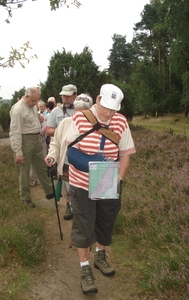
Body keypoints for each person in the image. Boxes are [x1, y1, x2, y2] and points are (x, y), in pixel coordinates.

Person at [65, 84, 136, 295]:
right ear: (97, 100)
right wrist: (90, 163)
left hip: (107, 180)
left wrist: (119, 179)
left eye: (114, 109)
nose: (109, 113)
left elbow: (125, 153)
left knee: (105, 220)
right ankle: (85, 269)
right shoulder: (79, 118)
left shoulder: (121, 121)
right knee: (84, 225)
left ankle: (100, 256)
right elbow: (71, 153)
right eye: (106, 108)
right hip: (81, 183)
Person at [44, 93, 93, 214]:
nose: (79, 114)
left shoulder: (97, 126)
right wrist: (51, 156)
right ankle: (70, 207)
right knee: (72, 193)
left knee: (87, 200)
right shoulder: (66, 123)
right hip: (68, 168)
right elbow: (55, 143)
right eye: (77, 110)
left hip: (90, 170)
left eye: (84, 111)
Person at [9, 87, 54, 208]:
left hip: (36, 139)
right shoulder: (18, 109)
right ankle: (25, 198)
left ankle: (50, 192)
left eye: (37, 101)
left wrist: (38, 120)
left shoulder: (33, 106)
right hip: (25, 141)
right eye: (33, 101)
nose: (35, 104)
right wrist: (18, 151)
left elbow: (32, 120)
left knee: (42, 166)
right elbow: (14, 131)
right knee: (24, 171)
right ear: (27, 96)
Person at [46, 84, 77, 220]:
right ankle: (68, 205)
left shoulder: (82, 110)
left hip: (78, 152)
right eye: (63, 96)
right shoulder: (56, 112)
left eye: (68, 96)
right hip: (62, 151)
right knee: (66, 181)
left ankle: (80, 206)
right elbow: (48, 130)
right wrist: (62, 130)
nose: (65, 98)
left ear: (75, 95)